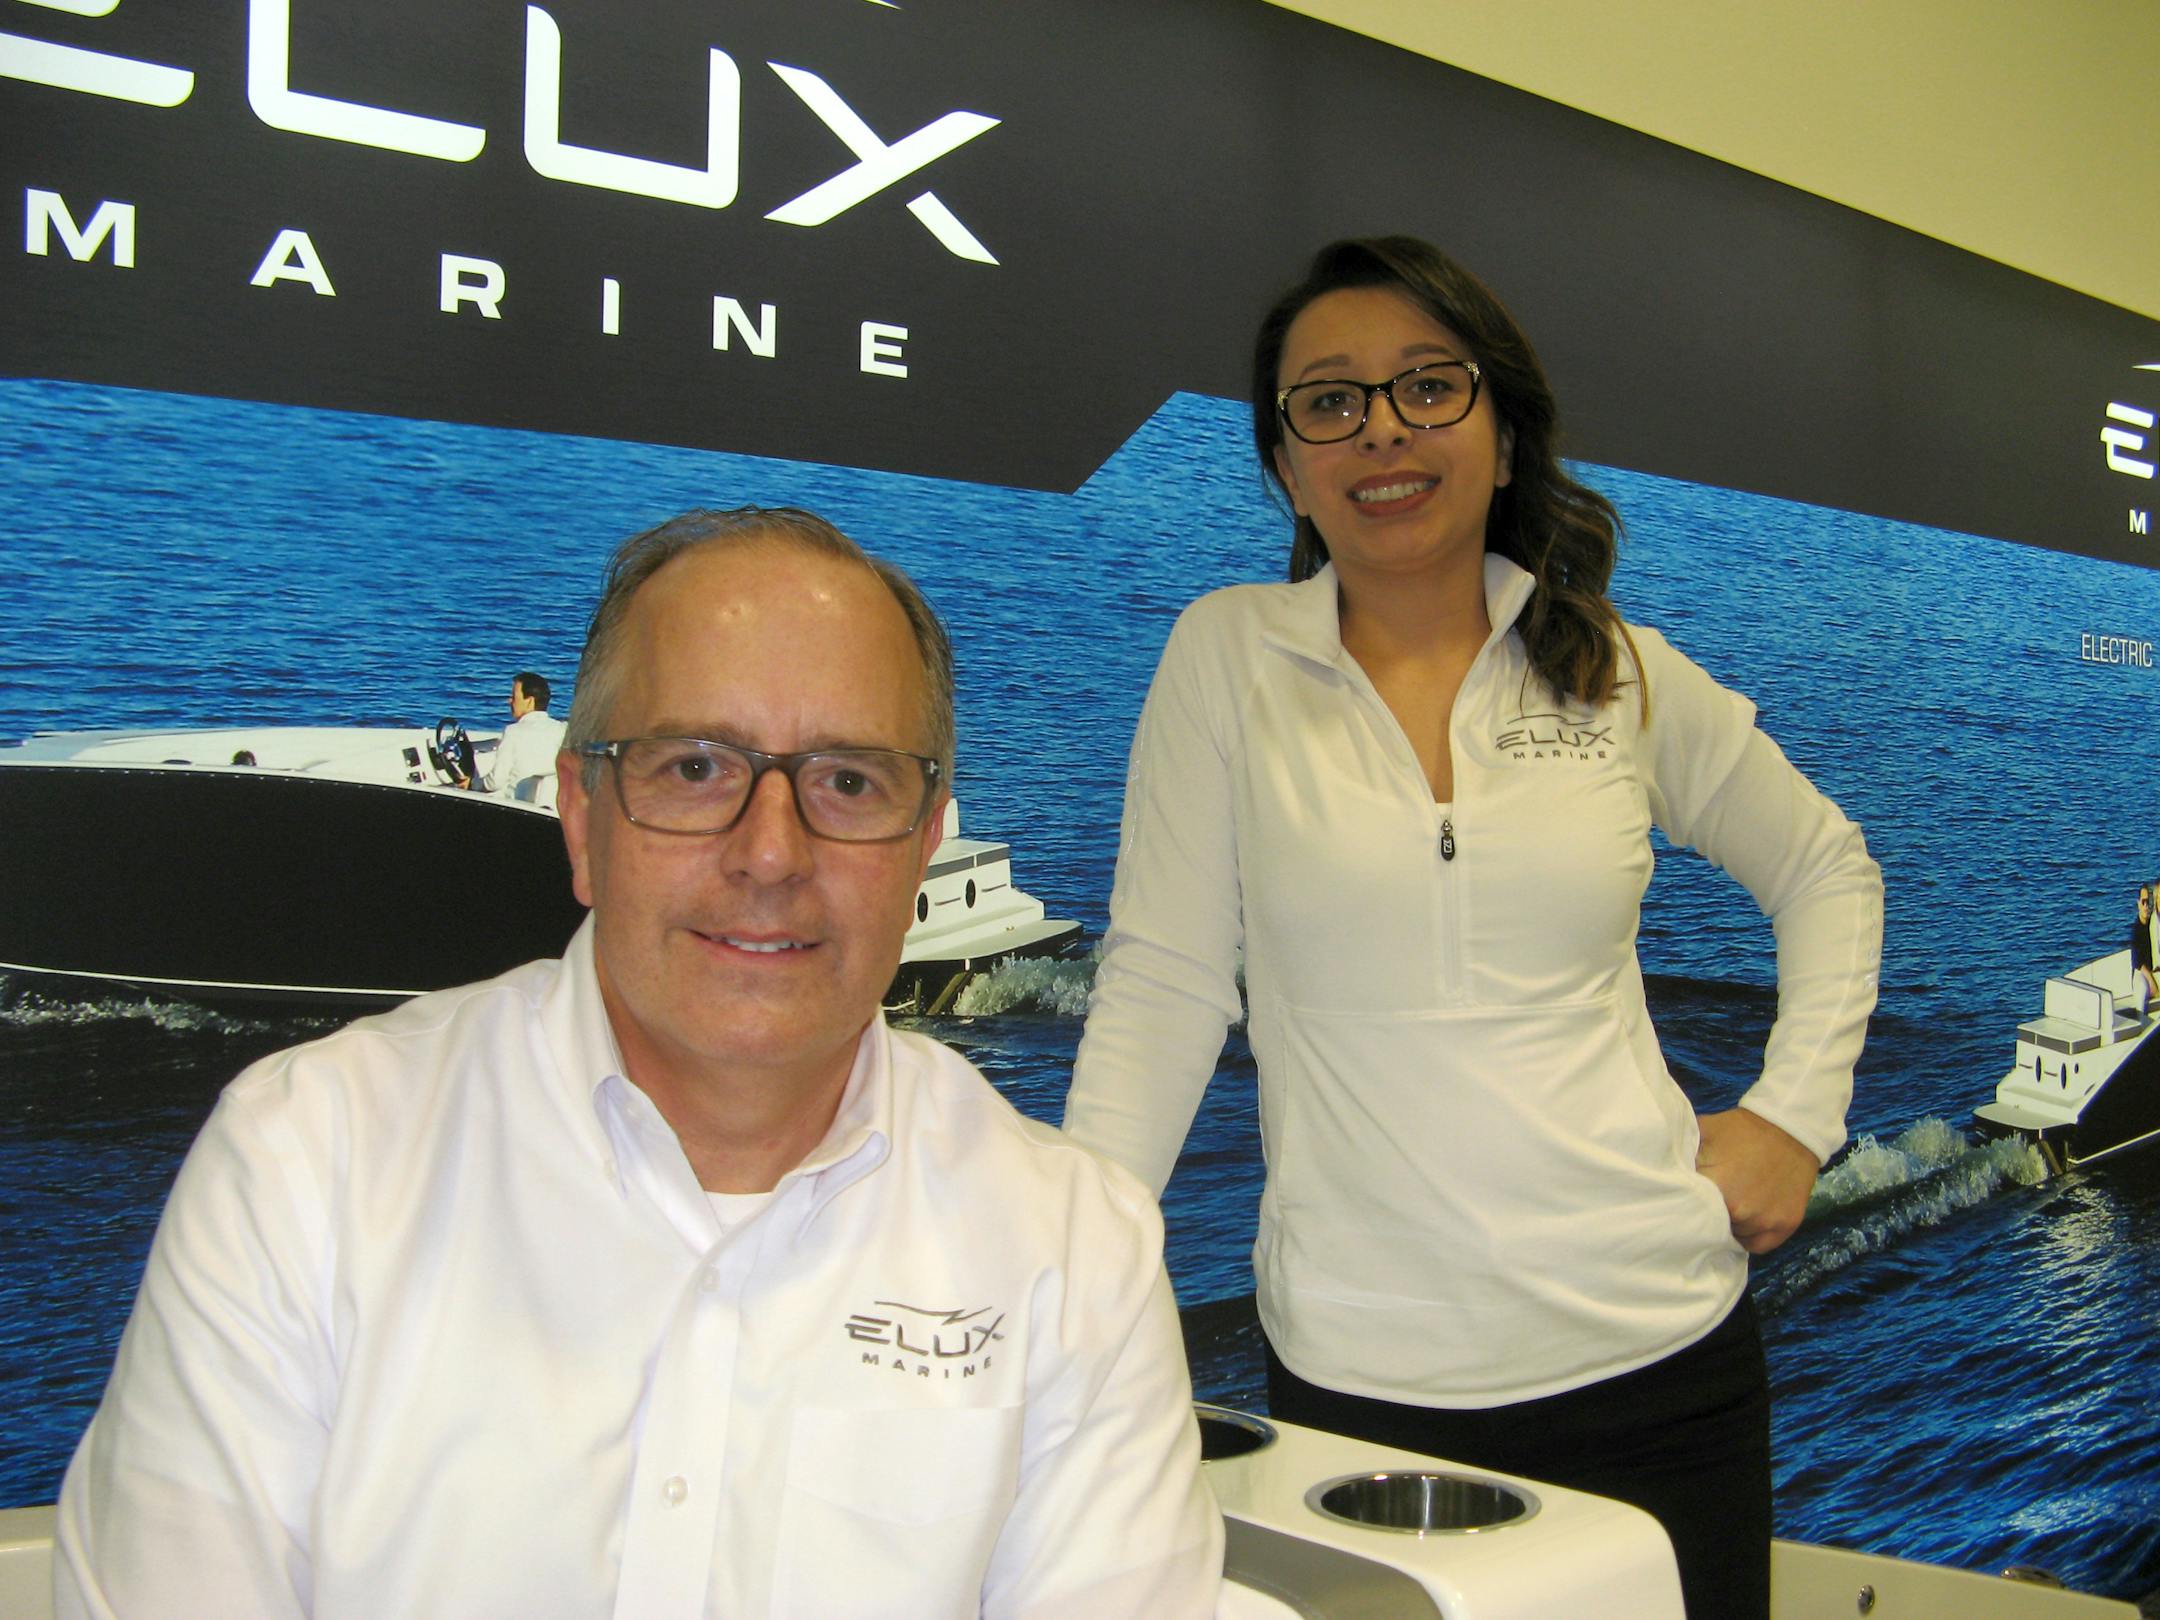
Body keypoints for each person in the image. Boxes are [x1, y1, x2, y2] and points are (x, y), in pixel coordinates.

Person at [57, 507, 1222, 1619]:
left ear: (923, 845)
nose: (771, 853)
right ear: (581, 814)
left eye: (848, 781)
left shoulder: (1073, 1254)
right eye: (695, 769)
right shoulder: (305, 1169)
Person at [1064, 237, 1883, 1619]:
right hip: (1367, 1394)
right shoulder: (1228, 656)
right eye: (1330, 401)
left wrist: (1794, 1116)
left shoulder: (1612, 669)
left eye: (1429, 386)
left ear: (1503, 437)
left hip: (1662, 1364)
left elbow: (1827, 867)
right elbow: (1165, 983)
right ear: (1287, 465)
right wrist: (1075, 1262)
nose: (1382, 429)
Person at [477, 669, 568, 802]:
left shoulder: (513, 732)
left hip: (516, 804)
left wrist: (473, 784)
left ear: (530, 701)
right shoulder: (562, 729)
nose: (509, 701)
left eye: (514, 697)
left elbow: (496, 782)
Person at [2132, 885, 2157, 1014]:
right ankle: (2140, 1020)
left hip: (2156, 969)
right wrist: (2152, 982)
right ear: (2139, 904)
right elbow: (2138, 963)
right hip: (2142, 973)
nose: (2146, 906)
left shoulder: (2155, 925)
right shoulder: (2136, 930)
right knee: (2142, 989)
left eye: (2149, 902)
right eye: (2143, 902)